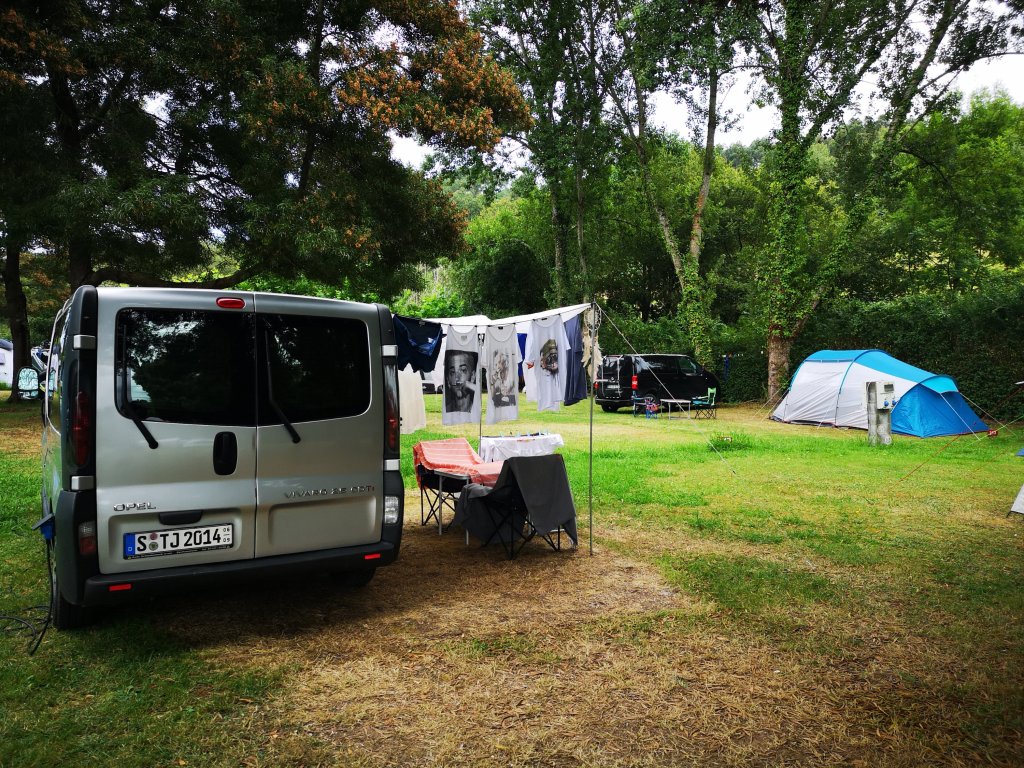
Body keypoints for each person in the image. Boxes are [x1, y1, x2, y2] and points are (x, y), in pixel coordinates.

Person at [444, 349, 477, 413]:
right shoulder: (447, 410)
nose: (457, 378)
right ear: (448, 380)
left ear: (473, 376)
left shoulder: (476, 410)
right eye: (453, 372)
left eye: (463, 370)